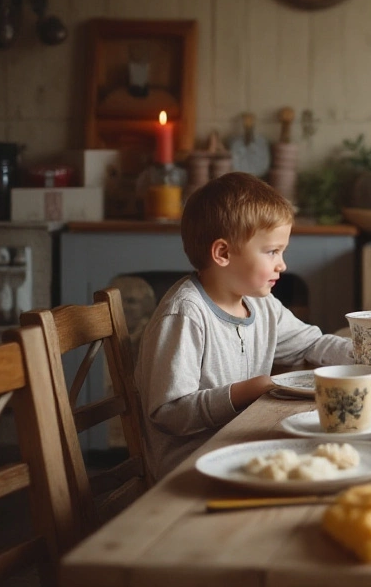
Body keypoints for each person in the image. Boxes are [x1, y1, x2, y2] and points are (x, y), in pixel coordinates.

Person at [135, 172, 354, 478]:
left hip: (240, 444)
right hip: (190, 465)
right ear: (222, 253)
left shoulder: (260, 303)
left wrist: (370, 355)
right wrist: (243, 392)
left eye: (282, 251)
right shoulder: (185, 314)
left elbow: (311, 344)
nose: (283, 265)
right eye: (272, 252)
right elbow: (168, 413)